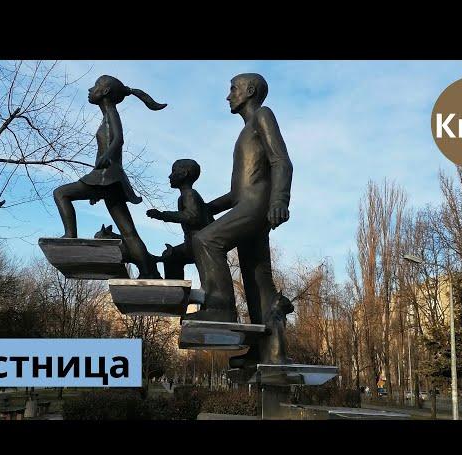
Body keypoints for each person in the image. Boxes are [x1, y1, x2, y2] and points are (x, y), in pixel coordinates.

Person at [185, 73, 293, 368]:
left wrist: (280, 200)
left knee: (206, 240)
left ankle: (219, 306)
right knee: (257, 279)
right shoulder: (246, 131)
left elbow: (281, 161)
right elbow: (237, 192)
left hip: (257, 207)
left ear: (250, 91)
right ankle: (266, 350)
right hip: (247, 204)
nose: (228, 95)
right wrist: (209, 207)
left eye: (233, 89)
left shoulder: (263, 115)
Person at [53, 75, 166, 279]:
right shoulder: (107, 114)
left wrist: (106, 158)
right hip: (108, 178)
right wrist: (97, 184)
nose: (90, 89)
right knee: (128, 232)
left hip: (107, 176)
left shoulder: (111, 113)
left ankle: (70, 235)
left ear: (105, 92)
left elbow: (119, 139)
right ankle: (149, 272)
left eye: (95, 86)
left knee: (61, 193)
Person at [146, 159, 213, 279]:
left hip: (200, 243)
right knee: (171, 256)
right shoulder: (184, 196)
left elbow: (192, 216)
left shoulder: (190, 194)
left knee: (171, 257)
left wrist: (162, 215)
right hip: (191, 243)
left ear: (184, 174)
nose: (170, 176)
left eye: (173, 171)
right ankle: (175, 288)